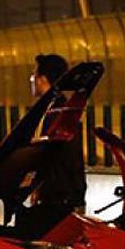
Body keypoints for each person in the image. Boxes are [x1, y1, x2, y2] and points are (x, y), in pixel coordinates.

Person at [31, 53, 87, 212]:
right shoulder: (51, 108)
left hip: (59, 197)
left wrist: (76, 198)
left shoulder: (59, 112)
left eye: (34, 76)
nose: (33, 81)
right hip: (54, 195)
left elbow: (65, 157)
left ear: (42, 79)